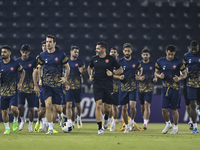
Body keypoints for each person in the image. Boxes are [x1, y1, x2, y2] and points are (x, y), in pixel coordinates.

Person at [37, 35, 70, 134]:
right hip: (46, 84)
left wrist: (65, 78)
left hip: (57, 85)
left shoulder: (61, 54)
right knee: (48, 105)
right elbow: (39, 68)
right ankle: (50, 128)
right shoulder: (42, 55)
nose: (48, 43)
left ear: (54, 43)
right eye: (47, 42)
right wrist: (40, 79)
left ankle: (61, 115)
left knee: (58, 108)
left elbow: (67, 67)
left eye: (50, 42)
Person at [87, 41, 123, 135]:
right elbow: (89, 67)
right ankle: (100, 128)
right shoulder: (94, 59)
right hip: (97, 85)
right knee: (98, 105)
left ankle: (106, 118)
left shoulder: (111, 59)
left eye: (98, 48)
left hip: (108, 86)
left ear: (103, 49)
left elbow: (120, 69)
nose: (96, 50)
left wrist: (113, 73)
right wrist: (90, 75)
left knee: (107, 108)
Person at [155, 45, 187, 134]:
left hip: (175, 89)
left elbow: (185, 74)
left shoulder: (179, 62)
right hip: (165, 89)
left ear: (174, 53)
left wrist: (179, 78)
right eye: (169, 54)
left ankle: (176, 128)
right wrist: (159, 76)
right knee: (164, 110)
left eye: (172, 54)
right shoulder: (160, 61)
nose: (170, 56)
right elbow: (155, 72)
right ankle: (168, 124)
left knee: (174, 110)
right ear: (166, 52)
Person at [0, 45, 25, 134]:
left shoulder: (15, 64)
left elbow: (23, 72)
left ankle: (15, 119)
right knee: (4, 111)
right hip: (3, 92)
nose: (2, 53)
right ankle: (7, 128)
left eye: (5, 52)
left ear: (9, 53)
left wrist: (20, 82)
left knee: (14, 109)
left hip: (13, 91)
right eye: (2, 52)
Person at [118, 43, 142, 133]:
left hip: (133, 87)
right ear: (123, 51)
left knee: (132, 106)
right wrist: (119, 77)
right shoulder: (119, 62)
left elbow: (140, 70)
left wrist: (138, 76)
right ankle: (127, 126)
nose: (127, 52)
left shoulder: (136, 61)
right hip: (123, 88)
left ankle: (131, 120)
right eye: (125, 51)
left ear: (131, 51)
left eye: (128, 50)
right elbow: (114, 74)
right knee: (124, 108)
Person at [15, 44, 37, 132]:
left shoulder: (33, 61)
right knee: (19, 106)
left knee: (31, 108)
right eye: (23, 52)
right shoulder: (17, 62)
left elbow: (37, 70)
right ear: (20, 52)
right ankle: (23, 121)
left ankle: (30, 126)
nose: (24, 54)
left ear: (29, 52)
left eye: (26, 52)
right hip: (21, 88)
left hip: (31, 88)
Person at [65, 46, 86, 129]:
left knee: (77, 105)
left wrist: (82, 72)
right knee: (68, 105)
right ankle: (69, 122)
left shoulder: (81, 62)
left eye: (77, 52)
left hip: (78, 86)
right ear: (71, 52)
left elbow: (85, 75)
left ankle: (79, 118)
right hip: (68, 87)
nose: (76, 53)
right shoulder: (66, 62)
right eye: (75, 52)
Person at [183, 40, 200, 133]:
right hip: (191, 84)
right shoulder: (186, 56)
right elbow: (182, 68)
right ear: (190, 48)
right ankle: (195, 127)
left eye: (195, 49)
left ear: (198, 48)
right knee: (193, 104)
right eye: (192, 49)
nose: (194, 51)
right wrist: (185, 72)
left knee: (197, 106)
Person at [138, 48, 157, 130]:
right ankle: (145, 119)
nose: (145, 56)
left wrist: (156, 78)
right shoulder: (138, 64)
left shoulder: (153, 64)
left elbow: (156, 73)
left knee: (147, 105)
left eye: (147, 55)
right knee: (142, 106)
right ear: (142, 55)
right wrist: (139, 78)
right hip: (140, 88)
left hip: (149, 88)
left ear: (149, 55)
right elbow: (135, 76)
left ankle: (145, 123)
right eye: (144, 54)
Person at [108, 47, 121, 131]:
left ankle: (113, 123)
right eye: (111, 52)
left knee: (115, 107)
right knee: (106, 107)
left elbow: (122, 74)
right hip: (107, 87)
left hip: (117, 88)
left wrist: (112, 74)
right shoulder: (106, 63)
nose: (113, 53)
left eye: (114, 52)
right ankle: (108, 121)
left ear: (117, 54)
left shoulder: (119, 64)